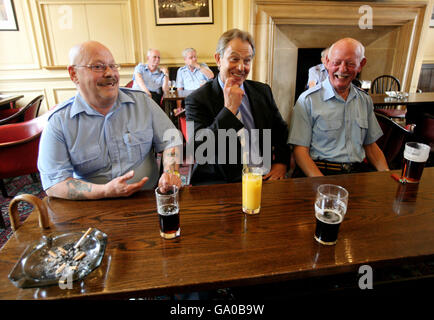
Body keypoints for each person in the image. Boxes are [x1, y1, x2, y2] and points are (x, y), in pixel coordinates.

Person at [38, 41, 182, 200]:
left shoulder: (142, 103)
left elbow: (171, 139)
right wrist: (105, 191)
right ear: (74, 74)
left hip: (146, 198)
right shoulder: (59, 122)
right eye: (98, 67)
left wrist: (170, 171)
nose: (110, 73)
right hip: (91, 206)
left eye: (113, 66)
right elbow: (54, 183)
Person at [185, 29, 291, 185]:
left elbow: (281, 130)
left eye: (247, 61)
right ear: (218, 59)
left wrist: (281, 163)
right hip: (220, 183)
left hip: (262, 176)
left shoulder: (262, 91)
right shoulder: (197, 99)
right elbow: (199, 149)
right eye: (234, 59)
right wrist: (229, 110)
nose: (241, 67)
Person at [288, 38, 389, 177]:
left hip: (357, 173)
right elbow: (300, 152)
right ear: (327, 62)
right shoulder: (307, 100)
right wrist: (323, 185)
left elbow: (371, 146)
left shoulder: (364, 100)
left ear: (361, 65)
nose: (342, 69)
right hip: (320, 172)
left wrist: (386, 175)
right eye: (336, 63)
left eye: (350, 64)